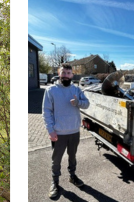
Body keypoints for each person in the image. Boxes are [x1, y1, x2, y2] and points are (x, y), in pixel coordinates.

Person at [42, 64, 90, 199]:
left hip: (74, 131)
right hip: (59, 133)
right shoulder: (51, 90)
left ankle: (72, 176)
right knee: (56, 159)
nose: (66, 75)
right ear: (58, 73)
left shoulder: (77, 89)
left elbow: (87, 104)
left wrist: (77, 103)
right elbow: (46, 112)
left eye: (69, 73)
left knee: (72, 156)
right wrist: (50, 130)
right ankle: (55, 182)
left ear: (72, 75)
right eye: (63, 72)